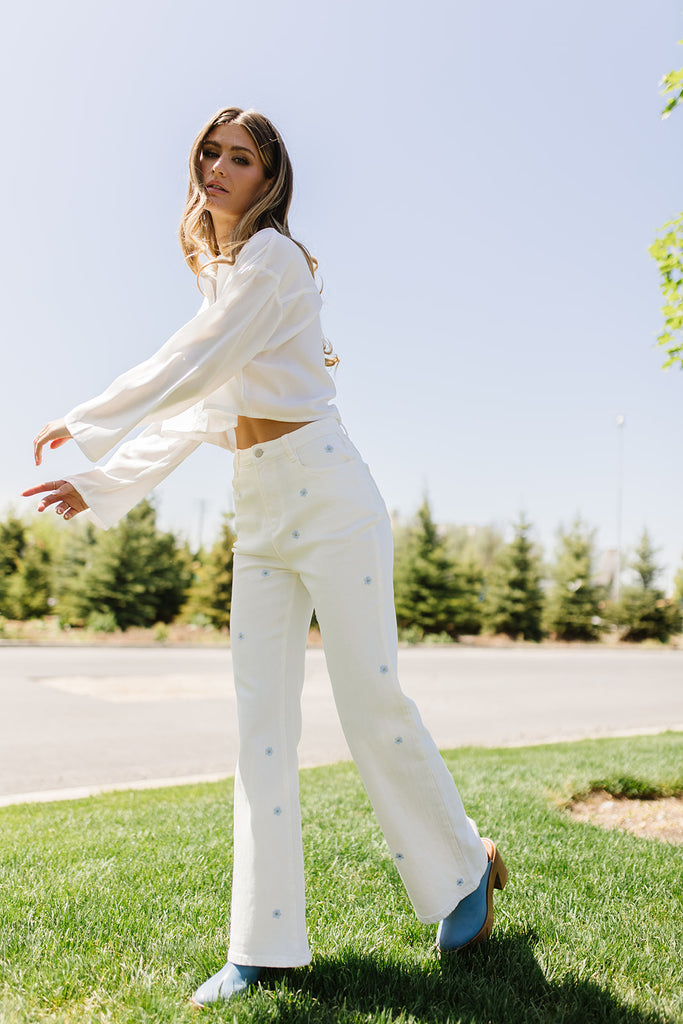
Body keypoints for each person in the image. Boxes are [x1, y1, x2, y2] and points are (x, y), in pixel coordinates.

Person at [24, 107, 508, 1007]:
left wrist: (89, 416)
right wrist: (99, 481)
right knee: (260, 731)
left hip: (328, 496)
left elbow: (194, 363)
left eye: (238, 157)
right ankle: (265, 945)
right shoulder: (224, 283)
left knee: (370, 702)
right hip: (260, 508)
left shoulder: (274, 262)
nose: (217, 167)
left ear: (268, 179)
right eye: (209, 152)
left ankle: (462, 865)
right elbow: (203, 408)